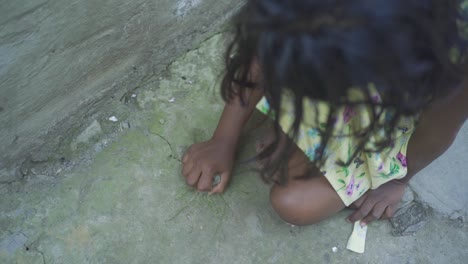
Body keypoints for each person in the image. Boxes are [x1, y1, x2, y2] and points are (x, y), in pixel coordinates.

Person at [181, 0, 468, 227]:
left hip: (381, 121)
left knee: (294, 204)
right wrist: (224, 138)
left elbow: (436, 133)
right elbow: (261, 48)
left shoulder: (452, 66)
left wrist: (396, 181)